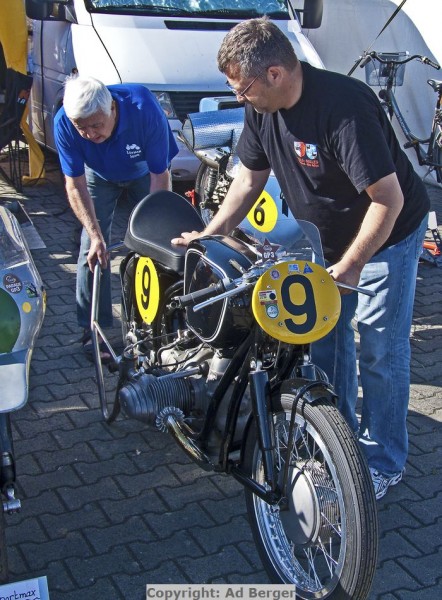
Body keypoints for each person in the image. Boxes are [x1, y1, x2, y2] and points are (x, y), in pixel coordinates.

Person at [172, 17, 430, 500]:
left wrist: (351, 267)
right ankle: (340, 443)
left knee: (379, 349)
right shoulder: (261, 108)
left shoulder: (344, 108)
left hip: (386, 238)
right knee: (327, 345)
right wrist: (209, 235)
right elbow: (247, 181)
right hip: (324, 241)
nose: (240, 97)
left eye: (243, 86)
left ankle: (382, 460)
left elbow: (388, 200)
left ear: (275, 73)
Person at [54, 75, 178, 362]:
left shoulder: (143, 107)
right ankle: (91, 330)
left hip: (144, 172)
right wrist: (97, 234)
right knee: (91, 248)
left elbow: (160, 177)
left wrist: (151, 233)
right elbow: (75, 184)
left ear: (112, 107)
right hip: (99, 175)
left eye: (96, 125)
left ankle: (157, 325)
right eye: (81, 128)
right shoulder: (63, 122)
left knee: (158, 244)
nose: (89, 135)